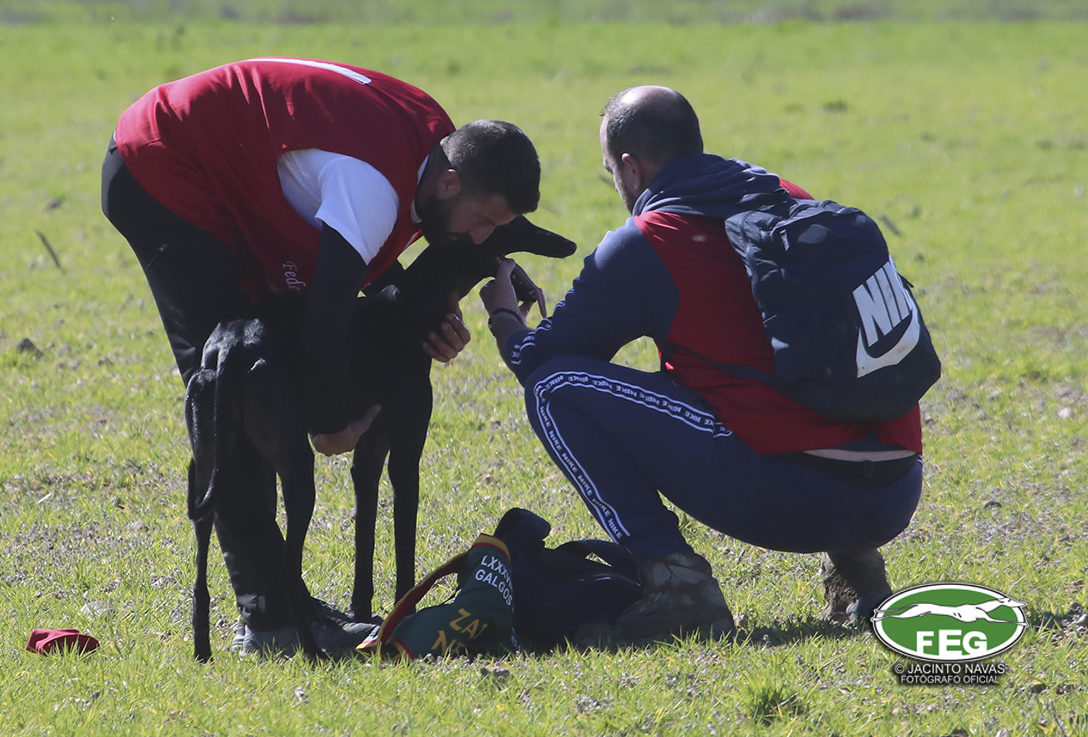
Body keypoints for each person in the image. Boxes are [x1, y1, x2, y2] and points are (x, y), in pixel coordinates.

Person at [101, 57, 540, 654]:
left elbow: (365, 273)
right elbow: (325, 322)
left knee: (254, 367)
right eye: (482, 221)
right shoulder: (374, 188)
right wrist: (331, 425)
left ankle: (282, 603)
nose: (481, 236)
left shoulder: (436, 151)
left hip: (218, 160)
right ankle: (272, 619)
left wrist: (428, 316)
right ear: (450, 183)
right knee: (230, 385)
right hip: (164, 163)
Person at [479, 86, 922, 646]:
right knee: (770, 377)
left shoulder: (649, 240)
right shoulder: (787, 196)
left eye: (611, 172)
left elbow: (536, 360)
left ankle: (679, 588)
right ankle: (861, 574)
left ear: (631, 167)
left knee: (554, 386)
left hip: (796, 502)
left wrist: (503, 315)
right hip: (895, 494)